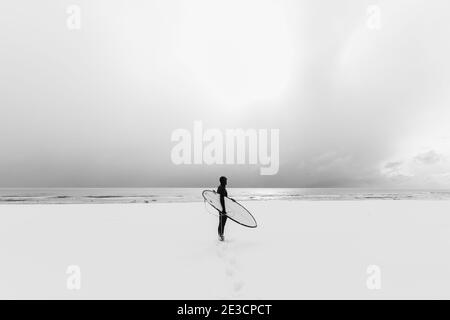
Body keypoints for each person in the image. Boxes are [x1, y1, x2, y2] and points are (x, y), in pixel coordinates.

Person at [217, 176, 228, 241]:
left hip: (221, 207)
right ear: (222, 181)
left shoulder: (220, 187)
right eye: (225, 180)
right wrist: (223, 210)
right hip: (222, 208)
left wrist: (230, 200)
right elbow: (221, 199)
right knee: (222, 222)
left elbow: (224, 198)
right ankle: (220, 235)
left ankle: (220, 235)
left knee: (221, 222)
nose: (226, 182)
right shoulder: (222, 188)